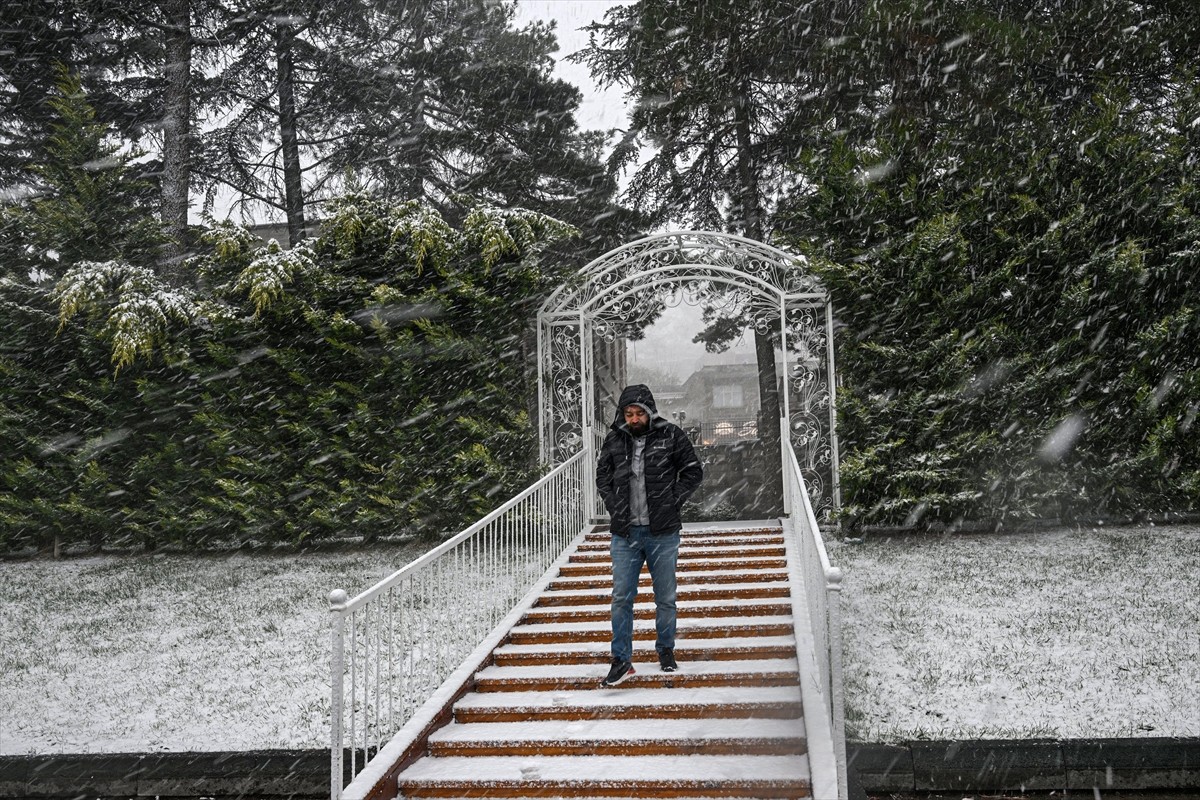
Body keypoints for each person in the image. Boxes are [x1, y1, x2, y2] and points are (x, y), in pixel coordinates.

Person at [595, 383, 703, 686]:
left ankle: (666, 650)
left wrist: (673, 498)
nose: (633, 418)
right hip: (625, 533)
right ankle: (621, 660)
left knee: (665, 598)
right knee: (621, 598)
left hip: (663, 532)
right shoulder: (614, 439)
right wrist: (613, 502)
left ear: (649, 412)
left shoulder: (671, 435)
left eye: (638, 413)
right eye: (628, 413)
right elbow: (602, 475)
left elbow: (694, 471)